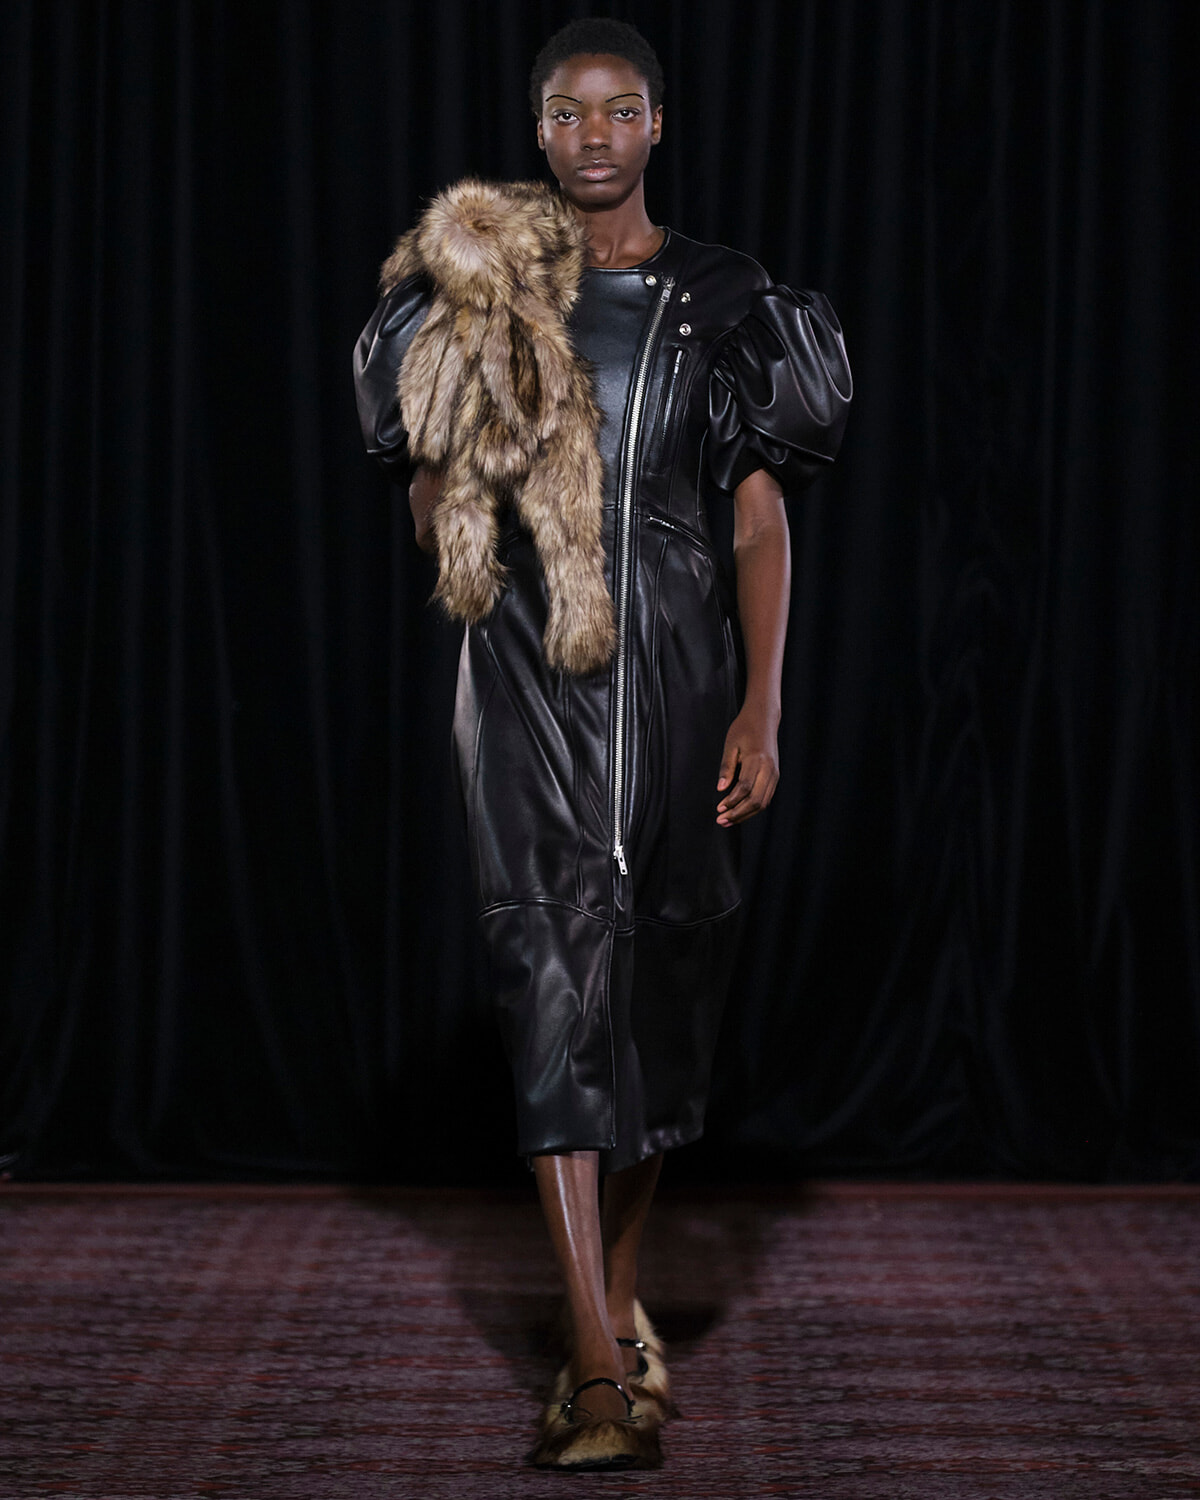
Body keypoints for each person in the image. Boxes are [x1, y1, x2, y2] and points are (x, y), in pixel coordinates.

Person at [354, 17, 851, 1471]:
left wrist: (761, 703)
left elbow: (757, 515)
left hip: (687, 679)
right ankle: (593, 1368)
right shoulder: (485, 288)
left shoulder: (723, 298)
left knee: (660, 987)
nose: (590, 135)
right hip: (526, 677)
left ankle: (617, 1296)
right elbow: (429, 475)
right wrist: (477, 530)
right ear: (539, 133)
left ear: (654, 127)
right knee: (553, 973)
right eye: (565, 112)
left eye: (616, 110)